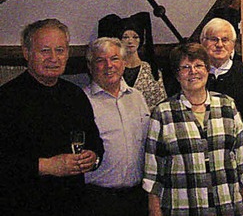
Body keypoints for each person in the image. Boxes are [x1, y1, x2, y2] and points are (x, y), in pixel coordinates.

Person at [0, 19, 104, 215]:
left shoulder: (75, 95)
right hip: (22, 205)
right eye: (45, 51)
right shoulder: (6, 98)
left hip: (72, 205)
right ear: (26, 53)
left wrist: (93, 158)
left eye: (60, 50)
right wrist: (46, 166)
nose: (53, 58)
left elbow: (95, 142)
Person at [143, 43, 243, 215]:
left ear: (207, 70)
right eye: (185, 67)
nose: (193, 72)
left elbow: (241, 155)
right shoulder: (163, 112)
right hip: (183, 205)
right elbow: (153, 167)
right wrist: (154, 207)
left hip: (226, 204)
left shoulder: (227, 105)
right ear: (177, 75)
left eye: (198, 66)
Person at [82, 37, 150, 216]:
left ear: (124, 63)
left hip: (137, 198)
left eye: (114, 59)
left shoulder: (137, 97)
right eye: (100, 60)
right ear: (90, 67)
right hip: (97, 199)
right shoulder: (81, 101)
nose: (108, 65)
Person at [200, 18, 243, 131]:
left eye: (225, 40)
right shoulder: (194, 76)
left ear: (233, 44)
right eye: (214, 39)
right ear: (203, 42)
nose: (219, 45)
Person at [120, 20, 167, 109]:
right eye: (125, 37)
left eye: (135, 37)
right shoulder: (115, 69)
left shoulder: (151, 70)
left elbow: (161, 102)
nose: (130, 41)